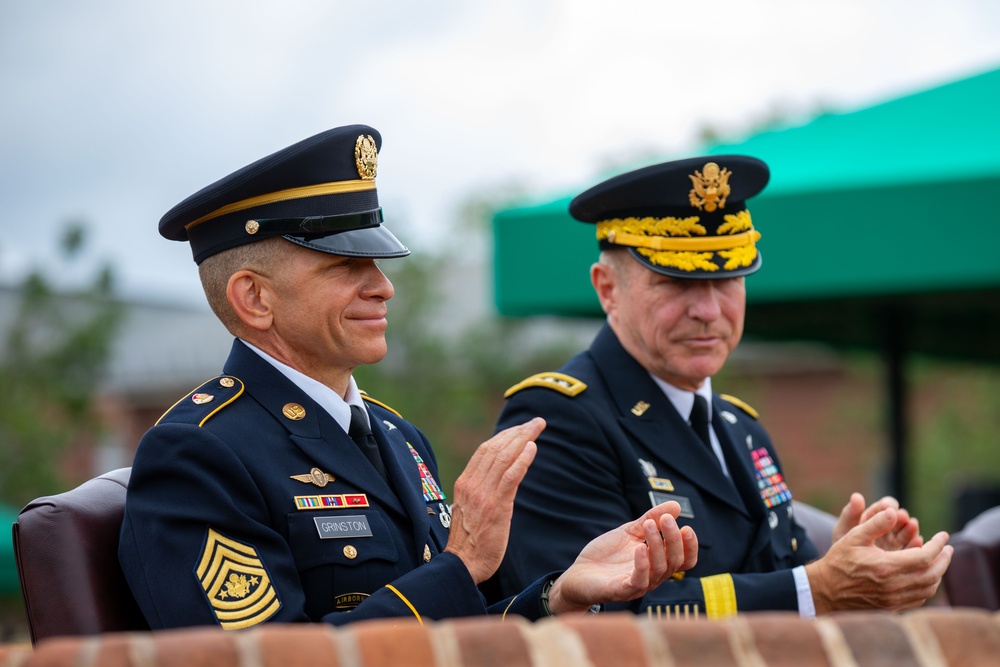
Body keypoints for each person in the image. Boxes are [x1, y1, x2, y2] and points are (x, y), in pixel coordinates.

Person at [117, 125, 698, 631]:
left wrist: (559, 594)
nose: (383, 286)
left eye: (377, 263)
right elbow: (266, 658)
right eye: (345, 266)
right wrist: (462, 562)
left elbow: (454, 631)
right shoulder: (199, 454)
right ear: (254, 297)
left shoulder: (398, 436)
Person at [491, 155, 953, 618]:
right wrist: (818, 589)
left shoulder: (739, 425)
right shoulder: (556, 420)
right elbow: (589, 615)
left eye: (728, 278)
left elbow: (772, 581)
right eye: (676, 282)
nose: (709, 310)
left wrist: (843, 568)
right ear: (608, 289)